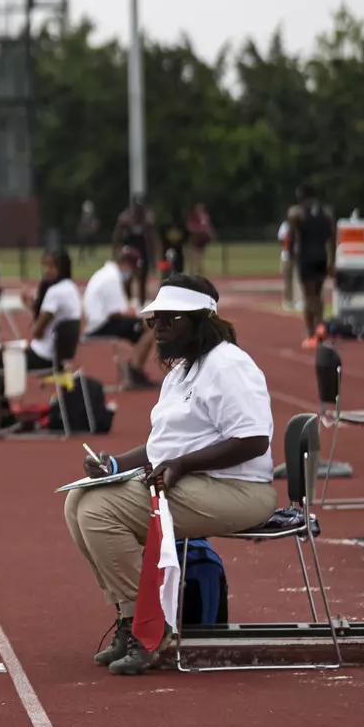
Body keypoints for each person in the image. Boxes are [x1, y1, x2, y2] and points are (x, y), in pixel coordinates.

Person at [65, 274, 276, 676]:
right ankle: (132, 621)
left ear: (200, 320)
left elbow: (252, 441)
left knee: (98, 510)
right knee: (79, 500)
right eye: (153, 321)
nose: (157, 329)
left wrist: (182, 465)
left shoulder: (228, 365)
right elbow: (161, 448)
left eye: (168, 320)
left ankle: (153, 626)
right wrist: (111, 466)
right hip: (198, 484)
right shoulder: (182, 372)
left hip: (240, 491)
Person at [0, 249, 83, 435]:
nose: (47, 270)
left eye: (52, 266)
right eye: (44, 265)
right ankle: (4, 411)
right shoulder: (70, 288)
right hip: (55, 355)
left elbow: (38, 332)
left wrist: (31, 305)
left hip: (43, 356)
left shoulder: (54, 292)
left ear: (62, 268)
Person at [82, 247, 157, 390]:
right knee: (149, 327)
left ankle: (134, 367)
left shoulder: (107, 273)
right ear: (128, 265)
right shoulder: (112, 278)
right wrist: (138, 316)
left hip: (99, 321)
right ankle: (135, 371)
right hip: (101, 324)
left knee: (142, 325)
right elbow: (116, 312)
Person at [288, 184, 335, 346]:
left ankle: (316, 327)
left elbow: (291, 237)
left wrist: (290, 255)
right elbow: (332, 239)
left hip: (306, 258)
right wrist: (332, 261)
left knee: (309, 296)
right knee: (317, 294)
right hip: (321, 257)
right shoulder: (326, 213)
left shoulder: (297, 213)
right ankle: (314, 327)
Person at [112, 195, 156, 307]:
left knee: (142, 280)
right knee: (127, 279)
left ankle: (141, 303)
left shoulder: (147, 220)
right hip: (129, 254)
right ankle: (128, 302)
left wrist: (152, 259)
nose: (138, 211)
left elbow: (151, 240)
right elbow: (117, 236)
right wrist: (116, 253)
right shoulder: (126, 218)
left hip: (142, 253)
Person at [186, 204, 213, 276]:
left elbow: (207, 227)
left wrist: (210, 234)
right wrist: (198, 229)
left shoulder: (204, 216)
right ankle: (194, 269)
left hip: (202, 238)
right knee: (194, 253)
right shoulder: (194, 217)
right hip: (196, 237)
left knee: (199, 254)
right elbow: (190, 226)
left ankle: (198, 269)